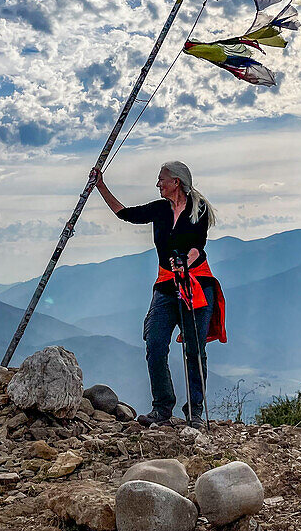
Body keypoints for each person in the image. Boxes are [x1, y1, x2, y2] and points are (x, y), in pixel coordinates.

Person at [90, 162, 226, 428]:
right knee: (154, 344)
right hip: (166, 285)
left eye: (161, 179)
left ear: (176, 181)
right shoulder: (160, 209)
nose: (158, 184)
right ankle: (163, 408)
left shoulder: (199, 208)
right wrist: (101, 186)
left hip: (196, 284)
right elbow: (124, 213)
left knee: (195, 351)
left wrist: (186, 261)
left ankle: (194, 412)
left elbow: (199, 245)